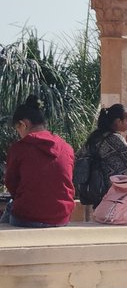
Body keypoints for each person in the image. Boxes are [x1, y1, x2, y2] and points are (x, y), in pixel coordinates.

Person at [1, 96, 75, 228]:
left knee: (9, 209)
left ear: (23, 124)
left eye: (18, 129)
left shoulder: (20, 148)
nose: (19, 134)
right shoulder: (66, 148)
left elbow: (11, 183)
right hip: (61, 217)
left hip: (27, 216)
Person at [77, 103, 127, 203]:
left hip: (94, 188)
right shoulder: (116, 138)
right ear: (118, 121)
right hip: (112, 191)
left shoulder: (95, 137)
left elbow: (79, 156)